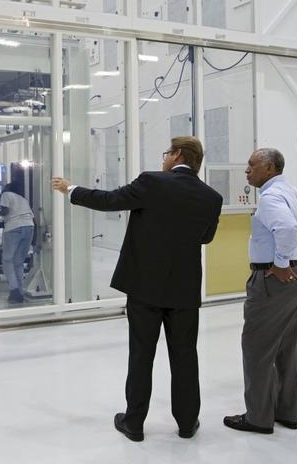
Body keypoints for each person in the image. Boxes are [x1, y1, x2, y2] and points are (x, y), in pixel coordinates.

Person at [51, 136, 222, 442]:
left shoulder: (152, 182)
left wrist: (71, 190)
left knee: (142, 354)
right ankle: (186, 422)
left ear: (178, 154)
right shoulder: (211, 197)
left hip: (144, 287)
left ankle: (134, 424)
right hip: (184, 290)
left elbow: (110, 201)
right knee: (185, 356)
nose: (163, 159)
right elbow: (206, 238)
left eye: (166, 153)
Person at [224, 148, 297, 435]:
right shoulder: (293, 192)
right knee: (286, 348)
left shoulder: (270, 197)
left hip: (275, 281)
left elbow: (286, 227)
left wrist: (282, 263)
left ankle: (258, 417)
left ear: (269, 168)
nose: (247, 170)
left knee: (256, 347)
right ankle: (287, 412)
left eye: (252, 165)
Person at [0, 180, 35, 304]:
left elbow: (5, 211)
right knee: (18, 261)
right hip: (29, 227)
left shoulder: (6, 194)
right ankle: (20, 291)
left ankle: (14, 291)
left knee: (7, 260)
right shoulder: (23, 199)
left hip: (14, 227)